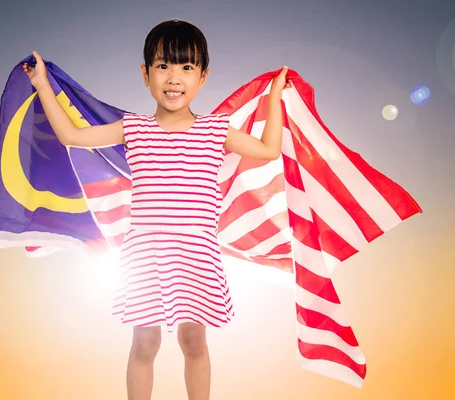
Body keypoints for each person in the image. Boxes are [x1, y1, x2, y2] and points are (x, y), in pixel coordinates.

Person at [22, 19, 290, 400]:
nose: (174, 78)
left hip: (196, 256)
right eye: (163, 66)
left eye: (186, 67)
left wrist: (275, 96)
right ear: (146, 73)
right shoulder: (133, 128)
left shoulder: (216, 130)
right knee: (144, 345)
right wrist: (42, 85)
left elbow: (268, 149)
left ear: (203, 76)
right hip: (145, 258)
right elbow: (72, 136)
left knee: (194, 342)